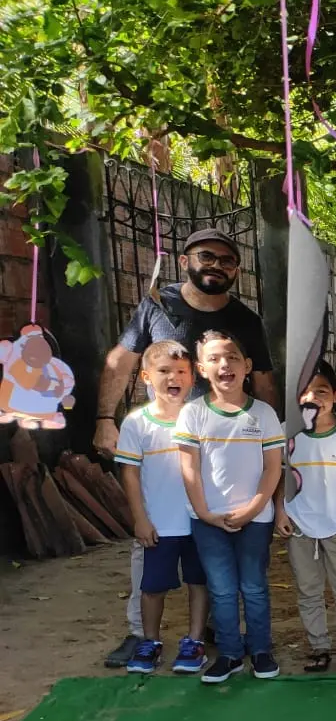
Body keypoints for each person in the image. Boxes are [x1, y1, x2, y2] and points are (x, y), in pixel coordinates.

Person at [93, 228, 279, 669]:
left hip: (217, 455)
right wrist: (104, 418)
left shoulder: (246, 320)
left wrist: (274, 431)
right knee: (151, 540)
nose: (216, 265)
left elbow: (265, 381)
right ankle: (141, 634)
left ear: (236, 271)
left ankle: (212, 630)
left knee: (211, 544)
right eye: (206, 256)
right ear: (184, 260)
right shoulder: (158, 304)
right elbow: (121, 361)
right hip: (161, 445)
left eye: (227, 260)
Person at [175, 331, 284, 683]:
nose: (225, 365)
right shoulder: (192, 414)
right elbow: (189, 469)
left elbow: (273, 468)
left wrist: (253, 509)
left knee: (253, 586)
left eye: (233, 357)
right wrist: (205, 513)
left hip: (256, 519)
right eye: (215, 359)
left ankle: (261, 650)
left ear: (247, 366)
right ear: (201, 369)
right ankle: (230, 654)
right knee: (221, 589)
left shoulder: (264, 414)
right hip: (208, 520)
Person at [113, 340, 208, 676]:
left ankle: (195, 641)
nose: (173, 377)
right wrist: (140, 519)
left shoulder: (202, 417)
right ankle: (150, 642)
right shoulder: (136, 423)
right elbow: (130, 473)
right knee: (152, 587)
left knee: (200, 583)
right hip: (159, 525)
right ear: (146, 377)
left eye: (181, 371)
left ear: (193, 376)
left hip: (199, 522)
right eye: (164, 370)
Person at [275, 359, 336, 672]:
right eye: (305, 392)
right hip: (299, 524)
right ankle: (319, 646)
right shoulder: (287, 433)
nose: (313, 398)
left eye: (322, 391)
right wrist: (280, 511)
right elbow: (278, 475)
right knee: (308, 589)